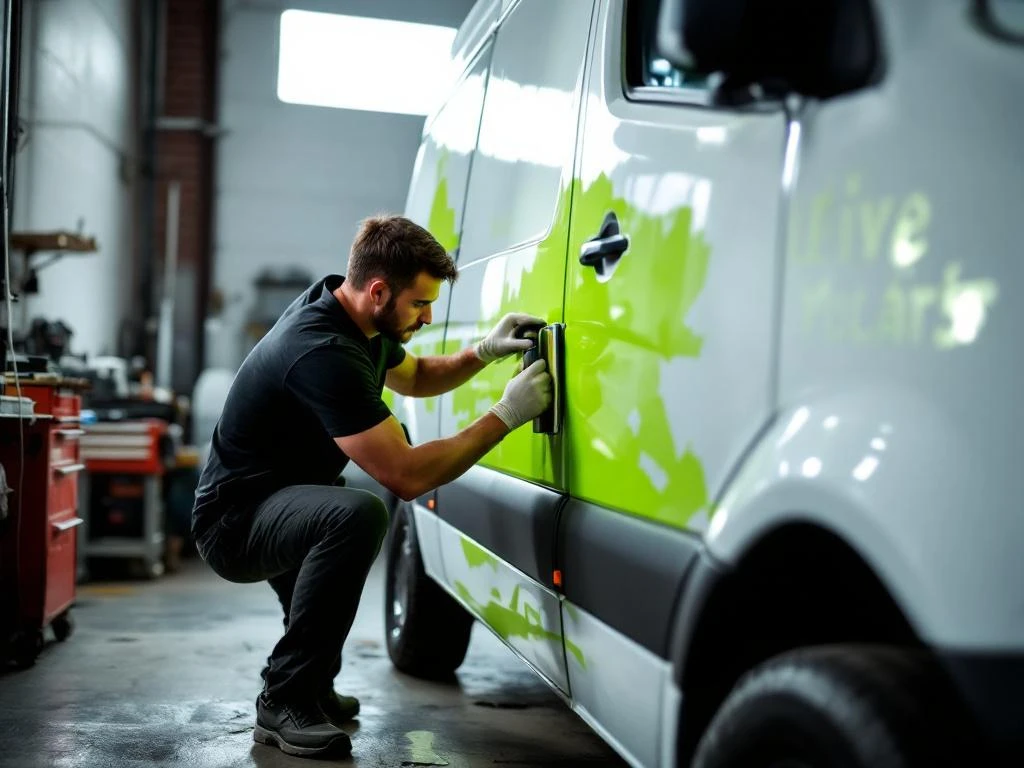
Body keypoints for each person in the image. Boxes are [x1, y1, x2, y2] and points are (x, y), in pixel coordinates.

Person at [191, 214, 552, 759]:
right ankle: (286, 700)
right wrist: (505, 415)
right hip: (234, 523)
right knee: (354, 515)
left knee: (336, 509)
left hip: (279, 497)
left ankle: (309, 683)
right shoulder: (322, 350)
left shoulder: (356, 317)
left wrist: (483, 352)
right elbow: (407, 475)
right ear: (378, 291)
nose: (427, 317)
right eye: (419, 303)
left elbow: (419, 376)